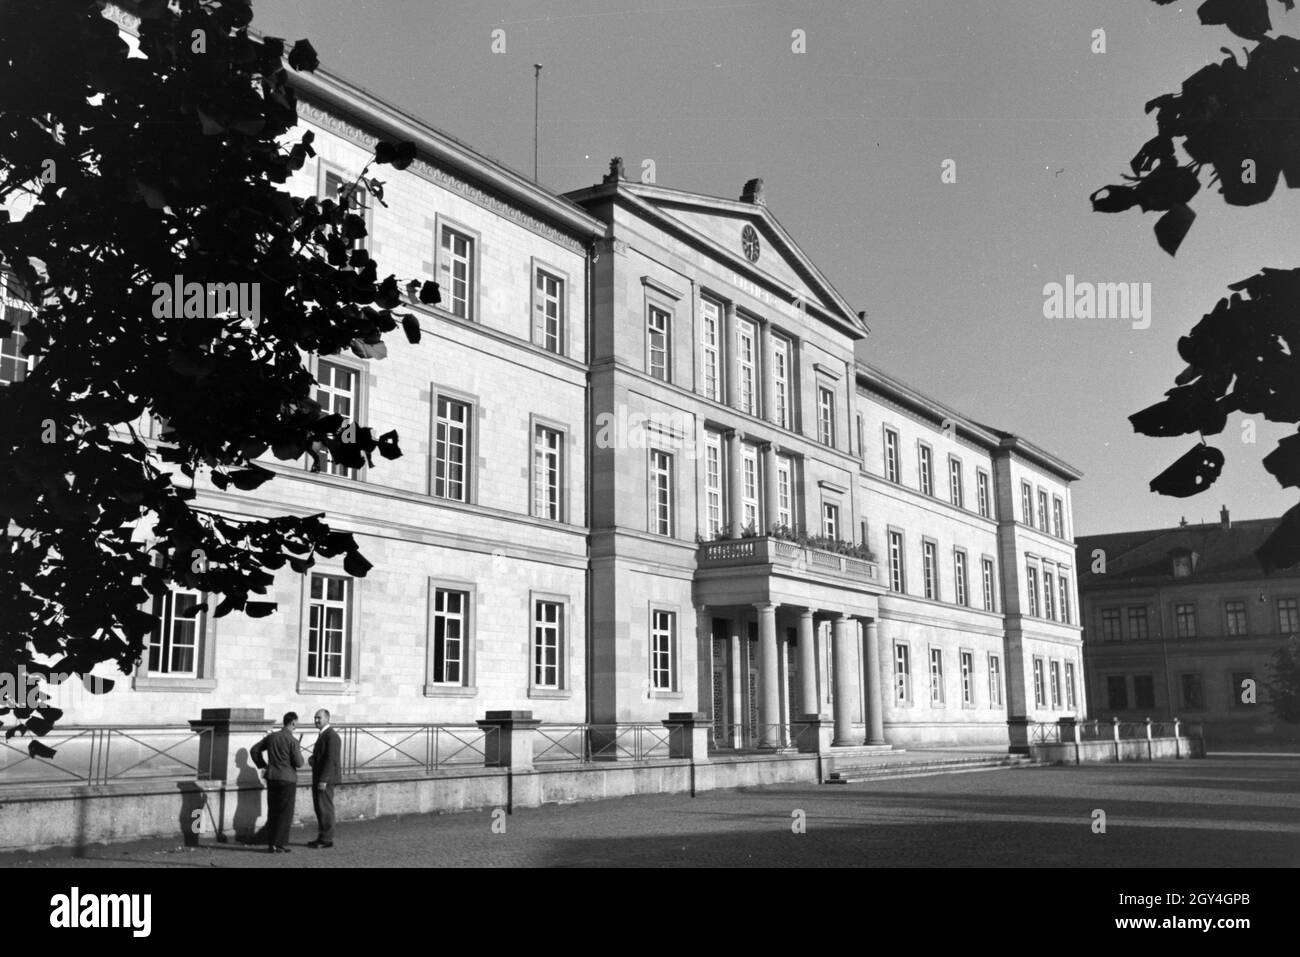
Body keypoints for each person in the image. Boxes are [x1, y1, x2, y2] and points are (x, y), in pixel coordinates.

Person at [250, 711, 303, 854]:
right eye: (296, 724)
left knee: (273, 811)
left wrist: (263, 765)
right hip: (288, 779)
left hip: (272, 777)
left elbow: (254, 750)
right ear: (292, 723)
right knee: (285, 813)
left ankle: (271, 843)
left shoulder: (272, 737)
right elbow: (299, 763)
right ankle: (279, 844)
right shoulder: (293, 741)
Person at [308, 709, 342, 848]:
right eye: (315, 718)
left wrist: (324, 779)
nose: (316, 720)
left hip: (325, 779)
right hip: (320, 777)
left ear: (327, 718)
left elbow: (330, 759)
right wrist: (313, 759)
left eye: (319, 718)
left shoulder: (331, 736)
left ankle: (327, 839)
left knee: (325, 808)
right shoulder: (324, 735)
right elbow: (322, 756)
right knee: (319, 808)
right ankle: (322, 836)